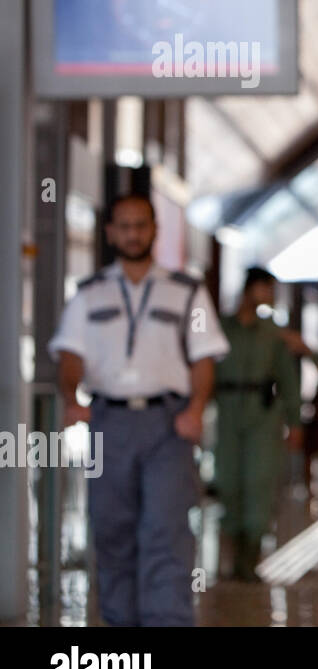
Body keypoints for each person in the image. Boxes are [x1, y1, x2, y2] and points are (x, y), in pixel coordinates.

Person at [49, 192, 229, 626]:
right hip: (108, 423)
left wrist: (197, 407)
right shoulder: (88, 295)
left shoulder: (187, 293)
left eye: (141, 225)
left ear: (154, 230)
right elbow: (70, 355)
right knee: (112, 529)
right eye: (123, 225)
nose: (133, 234)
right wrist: (73, 398)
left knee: (165, 531)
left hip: (168, 424)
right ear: (111, 232)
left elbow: (203, 356)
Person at [214, 266, 303, 581]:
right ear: (251, 288)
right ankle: (232, 553)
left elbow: (288, 379)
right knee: (228, 480)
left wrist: (295, 421)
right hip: (227, 411)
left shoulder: (274, 333)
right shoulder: (220, 329)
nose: (269, 297)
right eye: (266, 289)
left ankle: (249, 558)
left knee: (259, 482)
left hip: (263, 415)